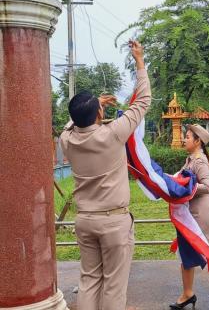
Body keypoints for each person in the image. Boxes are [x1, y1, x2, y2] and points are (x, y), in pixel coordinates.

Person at [60, 41, 151, 310]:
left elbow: (70, 124)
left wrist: (91, 106)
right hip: (113, 222)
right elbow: (143, 101)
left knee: (89, 280)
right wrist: (140, 62)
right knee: (113, 284)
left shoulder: (68, 140)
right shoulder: (112, 134)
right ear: (100, 113)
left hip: (85, 221)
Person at [170, 124, 209, 309]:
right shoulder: (191, 159)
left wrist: (188, 189)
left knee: (187, 251)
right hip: (202, 212)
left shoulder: (199, 160)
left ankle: (188, 294)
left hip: (201, 213)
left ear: (197, 141)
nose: (184, 139)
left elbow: (207, 185)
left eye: (187, 137)